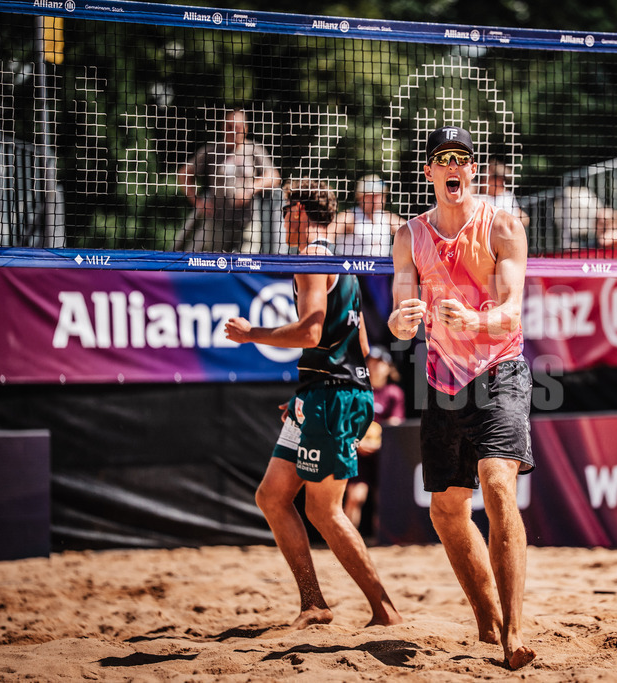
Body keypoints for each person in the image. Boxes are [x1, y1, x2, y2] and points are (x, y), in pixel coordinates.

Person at [388, 126, 536, 671]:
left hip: (500, 368)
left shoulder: (501, 224)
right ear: (429, 172)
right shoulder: (409, 236)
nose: (455, 167)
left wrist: (475, 319)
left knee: (498, 485)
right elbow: (401, 312)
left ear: (473, 169)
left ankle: (515, 632)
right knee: (448, 509)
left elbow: (512, 311)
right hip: (443, 379)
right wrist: (402, 321)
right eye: (443, 159)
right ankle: (488, 619)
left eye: (463, 159)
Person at [224, 179, 402, 630]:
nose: (282, 221)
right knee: (271, 496)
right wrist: (310, 391)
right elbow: (357, 338)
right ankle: (313, 603)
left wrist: (253, 334)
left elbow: (310, 333)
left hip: (332, 397)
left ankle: (385, 611)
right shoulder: (342, 262)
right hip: (327, 393)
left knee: (324, 510)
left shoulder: (311, 259)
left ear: (299, 212)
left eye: (285, 212)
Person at [175, 108, 281, 252]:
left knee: (247, 263)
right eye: (229, 126)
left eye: (237, 127)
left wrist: (250, 190)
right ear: (223, 128)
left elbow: (274, 176)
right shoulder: (212, 151)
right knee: (216, 266)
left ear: (245, 128)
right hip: (218, 222)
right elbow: (184, 173)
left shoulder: (255, 150)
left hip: (247, 222)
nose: (233, 131)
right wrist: (197, 202)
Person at [343, 345, 405, 534]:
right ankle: (345, 539)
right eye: (372, 363)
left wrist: (376, 443)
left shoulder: (394, 393)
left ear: (388, 368)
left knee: (384, 499)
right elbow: (347, 423)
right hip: (359, 453)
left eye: (380, 364)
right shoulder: (358, 391)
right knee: (355, 496)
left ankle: (384, 541)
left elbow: (394, 426)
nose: (376, 367)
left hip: (383, 456)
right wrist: (358, 442)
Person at [330, 174, 404, 257]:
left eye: (379, 196)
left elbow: (413, 233)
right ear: (360, 197)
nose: (376, 200)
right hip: (351, 268)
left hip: (381, 268)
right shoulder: (350, 216)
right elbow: (327, 234)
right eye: (372, 196)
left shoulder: (388, 218)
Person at [480, 159, 530, 228]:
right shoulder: (483, 197)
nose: (482, 182)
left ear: (498, 181)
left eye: (485, 178)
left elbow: (525, 219)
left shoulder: (506, 199)